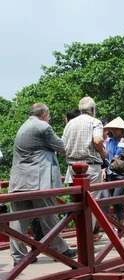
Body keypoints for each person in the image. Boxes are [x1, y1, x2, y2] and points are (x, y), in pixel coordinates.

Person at [9, 103, 77, 265]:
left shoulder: (24, 126)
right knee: (50, 215)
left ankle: (18, 257)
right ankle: (59, 251)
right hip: (38, 182)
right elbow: (63, 147)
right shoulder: (43, 127)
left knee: (18, 219)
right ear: (45, 115)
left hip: (19, 182)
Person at [62, 96, 108, 241]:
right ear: (93, 109)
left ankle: (82, 237)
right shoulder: (95, 122)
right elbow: (97, 140)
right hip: (90, 167)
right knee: (90, 204)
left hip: (72, 167)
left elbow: (62, 146)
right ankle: (86, 240)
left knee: (78, 204)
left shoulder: (70, 124)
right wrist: (103, 153)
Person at [103, 117, 124, 223]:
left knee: (116, 197)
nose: (114, 131)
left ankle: (122, 223)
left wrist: (122, 140)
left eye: (116, 129)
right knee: (114, 200)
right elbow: (106, 157)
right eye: (112, 129)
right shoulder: (109, 142)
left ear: (122, 130)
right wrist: (104, 169)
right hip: (110, 173)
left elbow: (119, 152)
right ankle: (121, 223)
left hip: (121, 173)